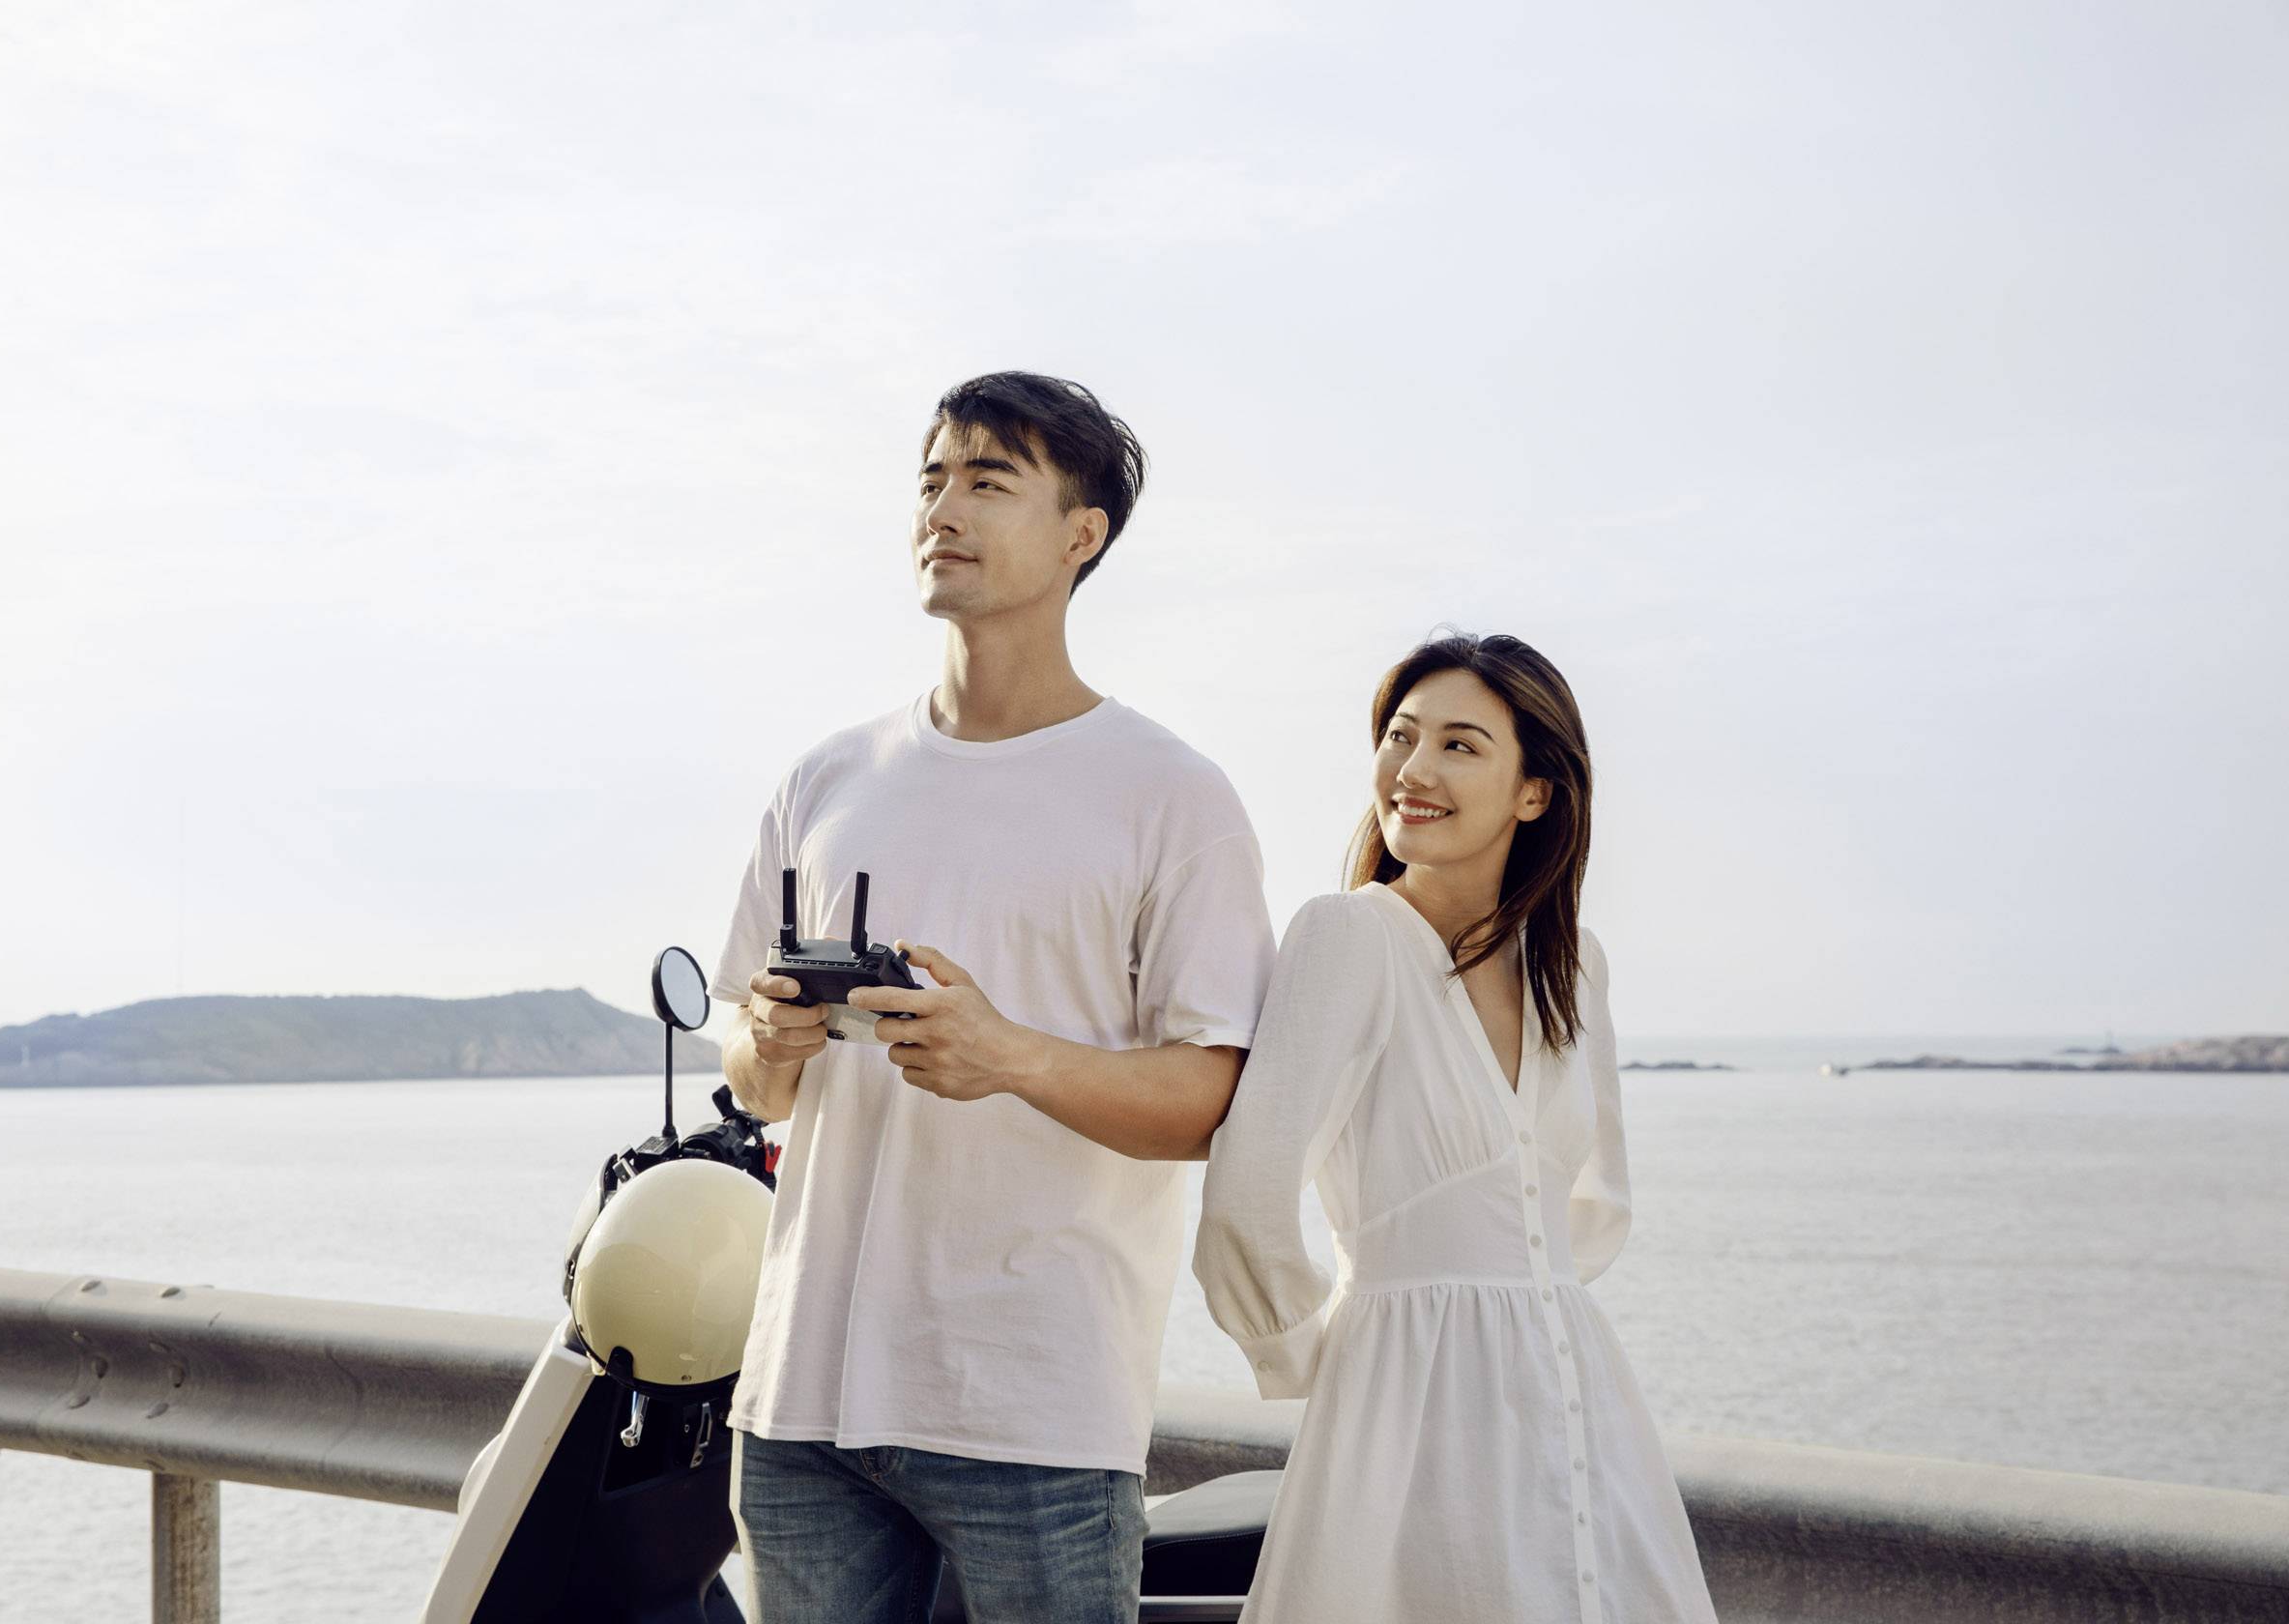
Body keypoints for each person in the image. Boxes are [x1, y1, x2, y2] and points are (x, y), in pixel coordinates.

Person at [710, 371, 1277, 1624]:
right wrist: (776, 1037)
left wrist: (1010, 1054)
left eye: (987, 479)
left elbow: (1213, 1096)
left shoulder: (1170, 795)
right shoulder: (830, 775)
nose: (942, 507)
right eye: (930, 479)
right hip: (801, 1399)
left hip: (1033, 1408)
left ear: (1084, 534)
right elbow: (750, 1080)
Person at [1192, 632, 1719, 1623]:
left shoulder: (1575, 967)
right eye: (1400, 736)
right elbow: (1245, 1200)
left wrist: (1516, 1302)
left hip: (1576, 1393)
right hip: (1404, 1401)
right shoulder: (1350, 936)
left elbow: (1588, 1208)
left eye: (1460, 746)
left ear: (1536, 792)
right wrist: (1327, 1363)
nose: (1414, 770)